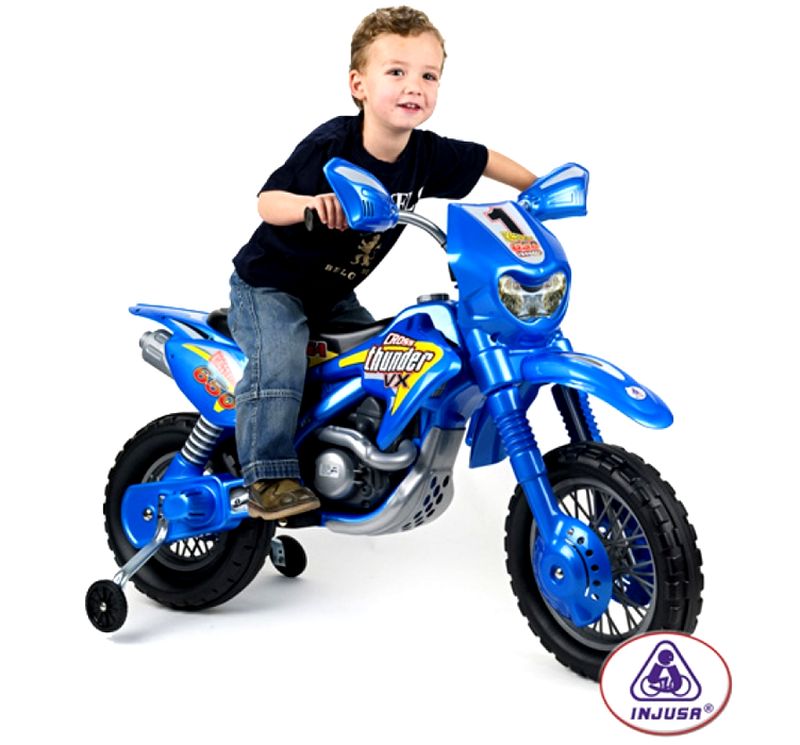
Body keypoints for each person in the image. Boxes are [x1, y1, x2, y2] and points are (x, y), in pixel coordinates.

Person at [229, 5, 537, 521]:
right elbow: (267, 201)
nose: (414, 86)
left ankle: (354, 461)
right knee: (280, 361)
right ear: (359, 85)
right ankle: (269, 476)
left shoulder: (426, 155)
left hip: (332, 295)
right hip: (270, 286)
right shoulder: (333, 146)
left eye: (428, 76)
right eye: (396, 71)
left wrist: (536, 190)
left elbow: (485, 159)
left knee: (388, 361)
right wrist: (311, 205)